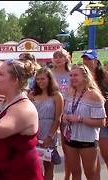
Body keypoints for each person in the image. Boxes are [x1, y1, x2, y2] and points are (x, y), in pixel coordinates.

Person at [0, 59, 43, 180]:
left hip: (18, 173)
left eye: (1, 74)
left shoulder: (24, 108)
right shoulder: (7, 102)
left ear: (15, 80)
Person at [62, 64, 106, 180]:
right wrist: (65, 117)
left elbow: (102, 122)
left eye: (76, 75)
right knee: (75, 172)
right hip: (70, 138)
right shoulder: (70, 92)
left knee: (90, 174)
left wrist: (80, 119)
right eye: (70, 75)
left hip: (88, 140)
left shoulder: (94, 95)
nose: (72, 78)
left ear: (85, 76)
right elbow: (64, 114)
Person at [29, 67, 63, 180]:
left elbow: (58, 118)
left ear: (49, 79)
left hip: (48, 132)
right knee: (33, 165)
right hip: (33, 132)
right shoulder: (32, 95)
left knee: (48, 166)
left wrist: (50, 136)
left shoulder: (57, 95)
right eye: (37, 79)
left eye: (43, 79)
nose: (40, 82)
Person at [81, 49, 108, 172]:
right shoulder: (82, 79)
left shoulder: (105, 77)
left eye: (89, 59)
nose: (86, 61)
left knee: (106, 154)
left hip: (104, 122)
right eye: (85, 58)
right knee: (92, 158)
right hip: (87, 122)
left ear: (96, 61)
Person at [51, 48, 72, 180]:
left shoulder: (71, 74)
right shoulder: (50, 74)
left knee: (67, 148)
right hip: (51, 112)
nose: (58, 59)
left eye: (61, 56)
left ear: (66, 58)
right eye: (55, 57)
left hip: (67, 114)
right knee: (49, 146)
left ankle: (67, 175)